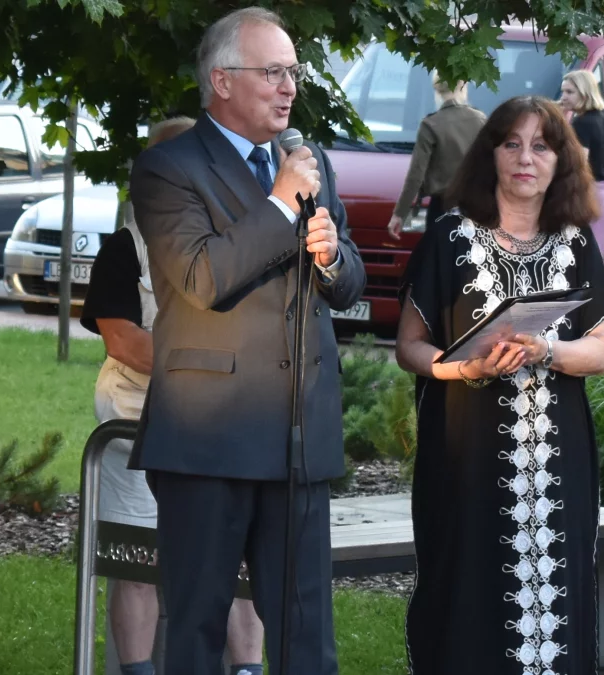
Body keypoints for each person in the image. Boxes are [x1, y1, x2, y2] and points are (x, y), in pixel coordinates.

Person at [127, 6, 366, 674]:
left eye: (294, 72)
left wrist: (331, 259)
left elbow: (349, 280)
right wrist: (282, 203)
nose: (289, 88)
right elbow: (202, 278)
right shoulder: (168, 168)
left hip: (299, 435)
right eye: (273, 72)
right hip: (209, 438)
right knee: (197, 634)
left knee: (308, 640)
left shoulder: (309, 162)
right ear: (223, 81)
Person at [395, 95, 604, 675]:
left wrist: (548, 350)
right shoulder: (448, 239)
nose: (525, 158)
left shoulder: (576, 242)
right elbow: (409, 347)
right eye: (511, 144)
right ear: (489, 154)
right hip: (465, 457)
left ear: (560, 161)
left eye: (541, 147)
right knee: (466, 589)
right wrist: (461, 369)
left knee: (557, 598)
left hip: (556, 462)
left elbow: (600, 351)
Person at [81, 116, 267, 675]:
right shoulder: (124, 247)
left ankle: (247, 670)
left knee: (237, 562)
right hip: (133, 419)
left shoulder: (240, 243)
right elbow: (122, 340)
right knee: (137, 558)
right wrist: (206, 364)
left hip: (223, 422)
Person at [387, 74, 486, 240]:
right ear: (464, 87)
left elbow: (416, 176)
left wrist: (399, 214)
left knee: (439, 253)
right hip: (476, 207)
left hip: (442, 208)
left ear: (437, 90)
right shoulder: (480, 120)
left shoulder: (431, 124)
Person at [560, 70, 604, 278]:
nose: (564, 97)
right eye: (563, 91)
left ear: (585, 93)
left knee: (579, 269)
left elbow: (577, 166)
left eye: (570, 92)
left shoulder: (580, 124)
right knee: (600, 272)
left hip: (586, 197)